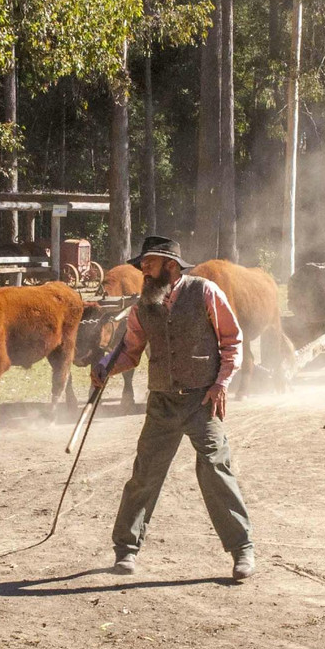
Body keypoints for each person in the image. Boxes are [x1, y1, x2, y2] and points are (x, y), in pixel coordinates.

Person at [92, 236, 255, 581]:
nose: (142, 271)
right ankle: (126, 550)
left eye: (148, 264)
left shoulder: (206, 292)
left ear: (169, 265)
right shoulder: (143, 306)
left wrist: (221, 383)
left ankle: (242, 549)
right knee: (145, 474)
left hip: (202, 399)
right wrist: (106, 366)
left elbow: (232, 340)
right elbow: (130, 350)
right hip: (162, 401)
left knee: (215, 468)